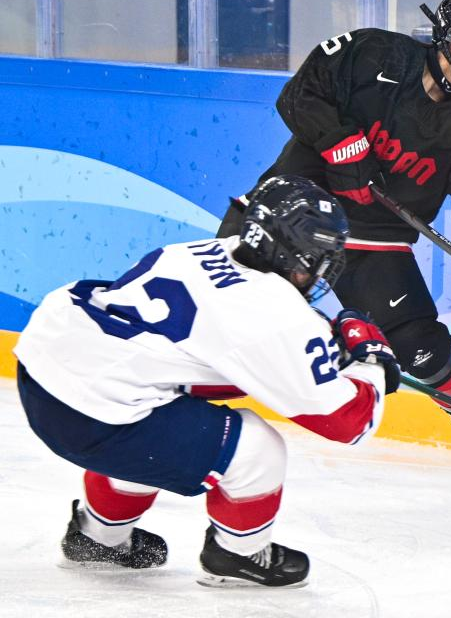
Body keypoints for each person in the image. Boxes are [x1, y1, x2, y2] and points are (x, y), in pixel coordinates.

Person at [14, 175, 399, 588]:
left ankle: (98, 540)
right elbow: (347, 422)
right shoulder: (273, 312)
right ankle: (237, 554)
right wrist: (372, 360)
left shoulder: (203, 251)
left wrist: (316, 346)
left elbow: (215, 355)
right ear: (290, 252)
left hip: (43, 377)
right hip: (97, 418)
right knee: (255, 449)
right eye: (317, 253)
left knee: (155, 421)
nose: (321, 267)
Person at [217, 0, 451, 483]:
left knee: (419, 347)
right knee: (222, 302)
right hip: (288, 218)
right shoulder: (374, 54)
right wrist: (339, 143)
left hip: (375, 239)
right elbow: (301, 93)